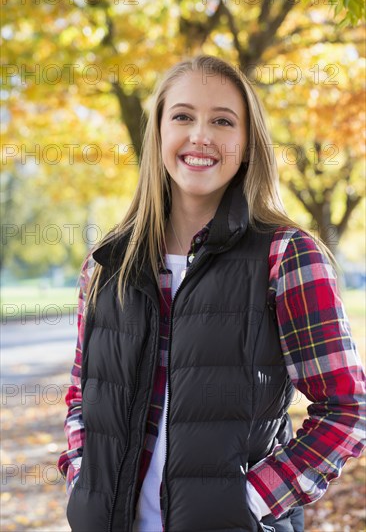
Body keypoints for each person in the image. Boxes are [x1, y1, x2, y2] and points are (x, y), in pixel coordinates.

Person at [58, 55, 365, 532]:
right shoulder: (106, 265)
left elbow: (346, 409)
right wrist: (82, 476)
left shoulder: (286, 256)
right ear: (159, 132)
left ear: (246, 144)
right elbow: (81, 394)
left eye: (222, 121)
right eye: (182, 116)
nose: (200, 135)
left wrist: (249, 501)